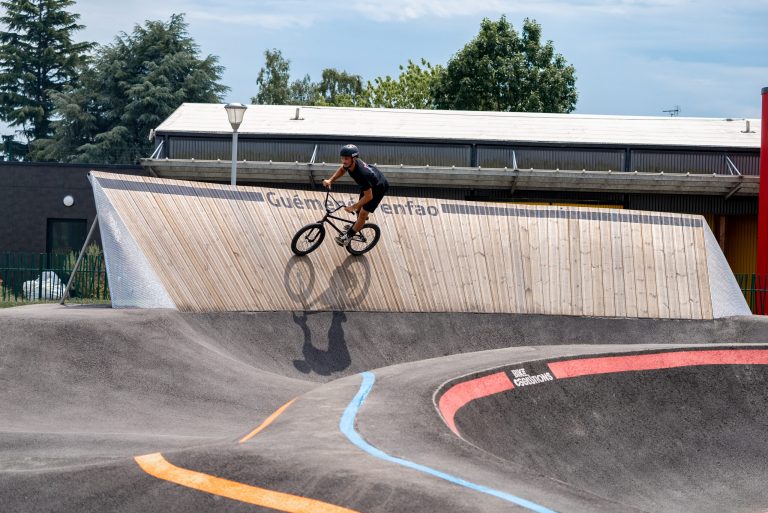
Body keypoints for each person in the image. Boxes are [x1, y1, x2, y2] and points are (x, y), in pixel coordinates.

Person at [323, 144, 389, 246]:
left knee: (362, 212)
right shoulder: (350, 164)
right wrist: (330, 180)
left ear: (353, 158)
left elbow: (369, 196)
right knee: (359, 209)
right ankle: (358, 224)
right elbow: (342, 169)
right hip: (370, 182)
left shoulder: (361, 174)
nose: (344, 161)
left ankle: (347, 237)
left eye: (346, 159)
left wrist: (353, 207)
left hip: (378, 188)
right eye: (342, 158)